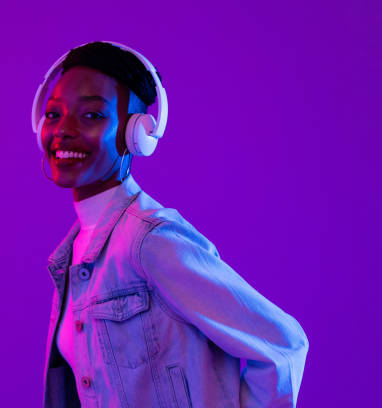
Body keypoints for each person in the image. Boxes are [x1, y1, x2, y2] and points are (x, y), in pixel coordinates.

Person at [32, 41, 308, 408]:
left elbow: (282, 345)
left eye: (92, 115)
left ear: (137, 133)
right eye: (53, 115)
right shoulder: (72, 257)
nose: (63, 130)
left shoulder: (151, 240)